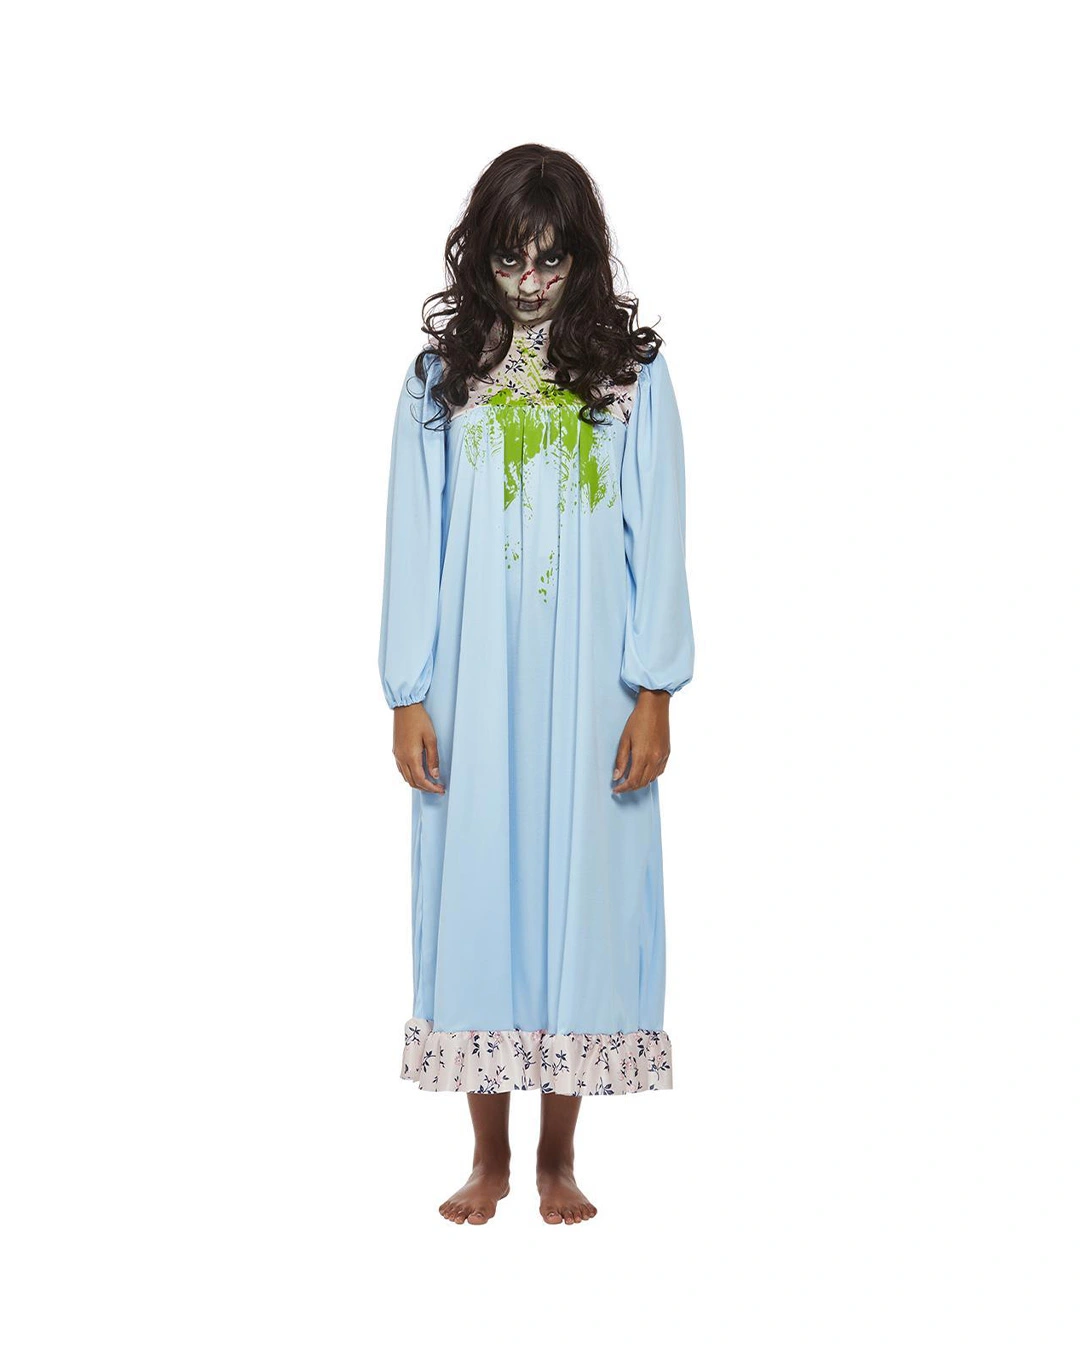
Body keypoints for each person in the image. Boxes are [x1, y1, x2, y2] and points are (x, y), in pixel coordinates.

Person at [378, 143, 695, 1225]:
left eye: (550, 260)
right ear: (481, 257)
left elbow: (659, 536)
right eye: (510, 257)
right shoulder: (440, 381)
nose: (528, 281)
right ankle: (489, 1156)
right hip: (472, 684)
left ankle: (558, 1156)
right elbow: (413, 538)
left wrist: (654, 690)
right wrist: (407, 691)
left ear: (581, 259)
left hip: (593, 685)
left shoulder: (630, 380)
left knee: (579, 895)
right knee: (479, 892)